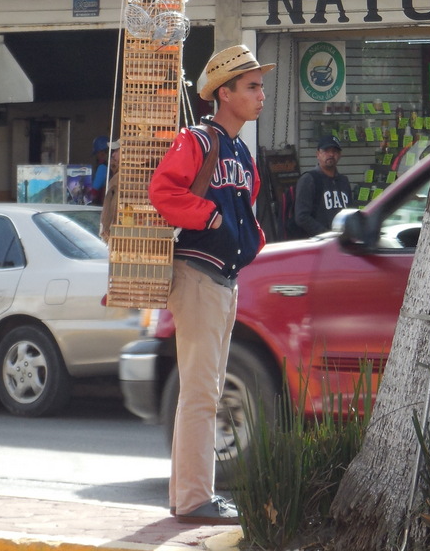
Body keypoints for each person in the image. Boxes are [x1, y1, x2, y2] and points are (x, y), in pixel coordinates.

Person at [148, 44, 274, 525]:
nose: (261, 94)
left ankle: (188, 497)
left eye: (260, 85)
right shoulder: (198, 140)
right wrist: (214, 217)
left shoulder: (239, 149)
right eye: (251, 86)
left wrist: (247, 238)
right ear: (224, 93)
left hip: (223, 277)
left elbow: (250, 202)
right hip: (197, 274)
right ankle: (196, 500)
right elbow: (164, 191)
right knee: (201, 392)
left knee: (205, 391)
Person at [293, 135, 353, 237]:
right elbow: (301, 217)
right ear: (318, 154)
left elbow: (350, 212)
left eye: (334, 151)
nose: (331, 154)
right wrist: (327, 235)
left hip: (343, 242)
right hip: (317, 244)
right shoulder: (309, 179)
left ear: (339, 155)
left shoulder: (344, 181)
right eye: (326, 151)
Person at [99, 139, 120, 242]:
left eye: (116, 151)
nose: (113, 155)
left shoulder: (118, 178)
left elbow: (109, 207)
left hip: (117, 232)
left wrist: (105, 230)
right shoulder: (118, 175)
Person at [89, 135, 109, 205]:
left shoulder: (102, 167)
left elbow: (94, 190)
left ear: (101, 153)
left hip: (100, 205)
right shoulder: (108, 167)